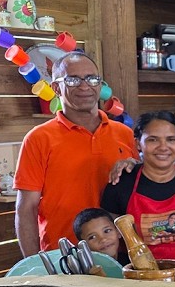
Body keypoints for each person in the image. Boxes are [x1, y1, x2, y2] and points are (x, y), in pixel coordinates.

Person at [14, 52, 136, 254]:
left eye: (92, 78)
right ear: (55, 88)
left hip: (122, 254)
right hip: (64, 256)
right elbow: (26, 209)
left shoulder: (124, 133)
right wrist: (36, 264)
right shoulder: (38, 138)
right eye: (72, 80)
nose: (84, 86)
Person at [100, 111, 175, 264]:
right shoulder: (122, 183)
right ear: (138, 143)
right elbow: (112, 242)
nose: (163, 147)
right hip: (145, 281)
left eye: (171, 139)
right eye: (153, 140)